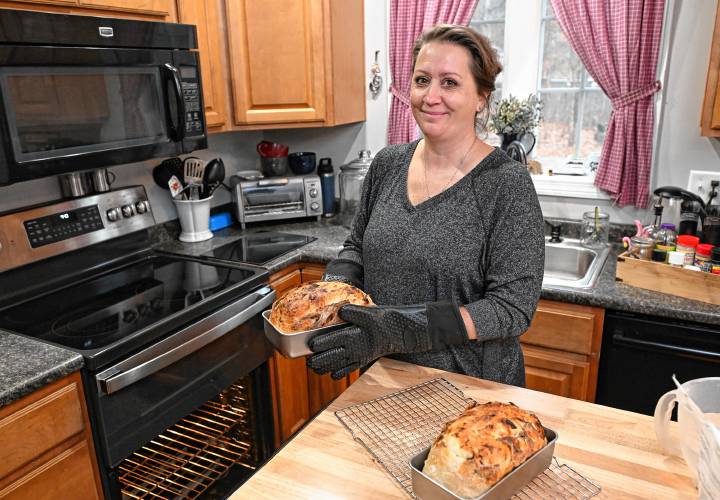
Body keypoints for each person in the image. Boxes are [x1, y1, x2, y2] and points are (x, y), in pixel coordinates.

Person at [306, 24, 544, 387]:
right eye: (422, 80)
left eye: (449, 82)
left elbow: (511, 308)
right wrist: (334, 290)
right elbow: (356, 249)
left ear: (481, 97)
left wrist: (399, 332)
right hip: (383, 377)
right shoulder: (388, 164)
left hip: (471, 390)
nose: (431, 96)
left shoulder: (506, 184)